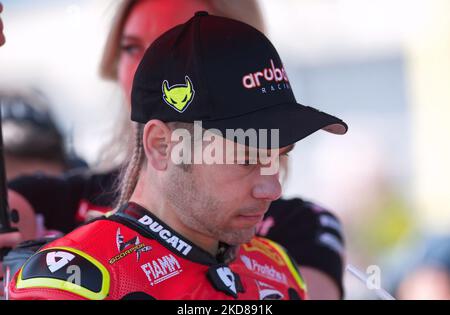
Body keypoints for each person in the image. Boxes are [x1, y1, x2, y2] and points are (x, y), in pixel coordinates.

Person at [4, 0, 345, 299]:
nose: (273, 187)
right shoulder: (73, 281)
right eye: (246, 158)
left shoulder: (276, 268)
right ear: (162, 146)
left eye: (279, 155)